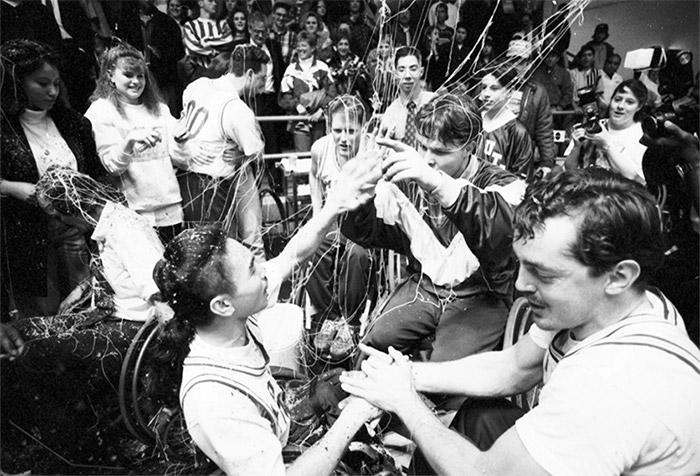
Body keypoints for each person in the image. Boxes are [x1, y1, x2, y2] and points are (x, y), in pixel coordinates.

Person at [340, 168, 700, 476]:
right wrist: (402, 375)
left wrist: (405, 401)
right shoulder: (607, 305)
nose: (520, 285)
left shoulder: (612, 384)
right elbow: (513, 367)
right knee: (479, 416)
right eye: (522, 264)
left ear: (618, 276)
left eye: (542, 273)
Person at [147, 150, 383, 475]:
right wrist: (353, 417)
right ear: (223, 305)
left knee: (345, 382)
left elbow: (293, 254)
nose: (265, 270)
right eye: (253, 268)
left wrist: (336, 203)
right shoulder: (213, 399)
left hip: (278, 424)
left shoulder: (228, 316)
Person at [342, 93, 525, 366]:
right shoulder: (409, 179)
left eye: (440, 152)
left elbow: (498, 230)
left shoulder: (505, 186)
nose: (427, 159)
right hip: (423, 287)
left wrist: (438, 185)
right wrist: (360, 197)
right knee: (371, 349)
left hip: (483, 297)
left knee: (446, 375)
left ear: (471, 146)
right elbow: (365, 232)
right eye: (423, 146)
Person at [1, 167, 166, 468]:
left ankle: (69, 444)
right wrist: (82, 288)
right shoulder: (102, 223)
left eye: (58, 217)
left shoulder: (125, 229)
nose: (59, 224)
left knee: (33, 353)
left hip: (135, 330)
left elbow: (159, 290)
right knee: (20, 330)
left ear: (75, 209)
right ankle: (31, 439)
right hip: (108, 313)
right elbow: (119, 271)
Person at [0, 39, 102, 318]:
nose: (53, 91)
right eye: (42, 83)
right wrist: (10, 187)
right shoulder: (4, 127)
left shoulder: (74, 123)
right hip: (28, 237)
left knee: (85, 304)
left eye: (57, 83)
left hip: (74, 229)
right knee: (43, 314)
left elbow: (94, 172)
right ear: (16, 83)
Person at [85, 44, 187, 244]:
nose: (136, 81)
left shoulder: (160, 109)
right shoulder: (101, 111)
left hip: (170, 208)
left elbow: (181, 159)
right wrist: (129, 141)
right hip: (132, 211)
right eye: (128, 75)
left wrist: (183, 138)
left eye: (140, 76)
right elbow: (112, 167)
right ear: (110, 75)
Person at [178, 44, 268, 262]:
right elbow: (256, 151)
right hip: (214, 183)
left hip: (188, 175)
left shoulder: (197, 85)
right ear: (248, 74)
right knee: (220, 249)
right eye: (261, 79)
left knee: (205, 247)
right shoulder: (236, 108)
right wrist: (244, 156)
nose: (262, 88)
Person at [306, 96, 377, 360]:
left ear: (363, 128)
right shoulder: (320, 148)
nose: (344, 138)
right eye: (337, 131)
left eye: (351, 131)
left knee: (357, 254)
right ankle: (329, 317)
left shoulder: (370, 153)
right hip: (333, 218)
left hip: (363, 221)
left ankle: (350, 320)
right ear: (328, 127)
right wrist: (317, 211)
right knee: (315, 247)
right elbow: (314, 175)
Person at [565, 79, 649, 184]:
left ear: (639, 107)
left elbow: (632, 176)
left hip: (619, 196)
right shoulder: (593, 126)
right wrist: (576, 147)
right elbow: (569, 169)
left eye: (630, 102)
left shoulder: (641, 135)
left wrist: (606, 144)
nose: (620, 106)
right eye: (617, 99)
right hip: (585, 192)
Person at [279, 31, 337, 152]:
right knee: (303, 157)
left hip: (319, 120)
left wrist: (321, 111)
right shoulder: (291, 69)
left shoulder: (322, 67)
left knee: (319, 154)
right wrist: (297, 105)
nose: (300, 49)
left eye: (304, 45)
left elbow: (332, 93)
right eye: (298, 46)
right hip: (299, 120)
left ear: (312, 48)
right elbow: (285, 94)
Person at [479, 63, 535, 181]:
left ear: (510, 91)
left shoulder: (517, 131)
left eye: (494, 88)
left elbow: (522, 178)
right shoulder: (474, 121)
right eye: (484, 87)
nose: (486, 94)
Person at [380, 47, 434, 150]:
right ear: (395, 73)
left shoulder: (434, 102)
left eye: (413, 69)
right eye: (401, 70)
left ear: (421, 71)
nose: (407, 75)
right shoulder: (391, 113)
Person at [182, 0, 234, 82]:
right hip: (200, 72)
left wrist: (205, 41)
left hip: (221, 71)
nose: (214, 3)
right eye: (210, 1)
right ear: (200, 3)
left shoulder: (222, 24)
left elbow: (228, 40)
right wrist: (214, 51)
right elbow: (193, 47)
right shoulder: (190, 25)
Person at [596, 53, 623, 117]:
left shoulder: (619, 78)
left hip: (612, 110)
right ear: (605, 62)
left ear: (618, 66)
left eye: (615, 64)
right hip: (598, 108)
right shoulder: (597, 74)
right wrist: (599, 102)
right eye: (610, 62)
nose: (612, 66)